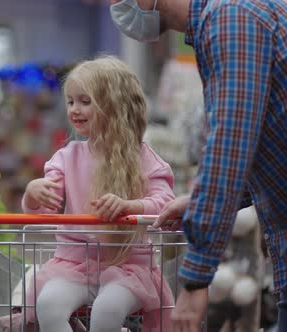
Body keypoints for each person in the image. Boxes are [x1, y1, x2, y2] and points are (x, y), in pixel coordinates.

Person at [109, 0, 287, 331]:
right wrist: (200, 202)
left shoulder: (231, 17)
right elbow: (263, 140)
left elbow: (230, 146)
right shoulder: (219, 23)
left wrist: (195, 278)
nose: (115, 7)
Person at [21, 57, 175, 332]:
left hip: (129, 266)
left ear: (114, 105)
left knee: (107, 311)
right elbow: (43, 208)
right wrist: (34, 194)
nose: (74, 110)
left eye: (85, 101)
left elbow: (166, 203)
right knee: (48, 305)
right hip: (74, 263)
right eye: (70, 102)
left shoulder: (144, 158)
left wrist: (131, 206)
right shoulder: (66, 157)